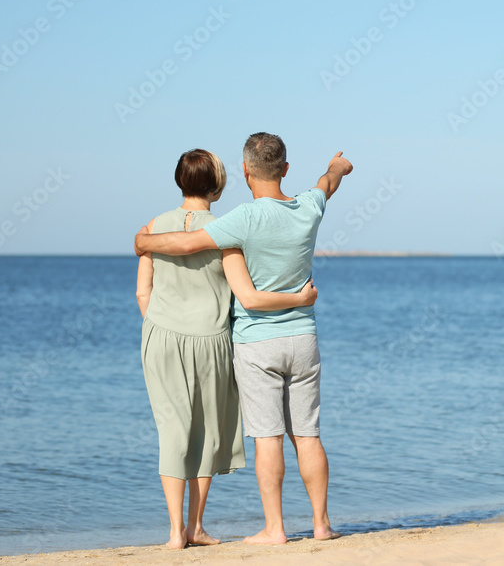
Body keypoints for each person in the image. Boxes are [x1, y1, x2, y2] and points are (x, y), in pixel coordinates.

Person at [135, 133, 352, 544]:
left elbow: (185, 242)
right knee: (307, 434)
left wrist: (143, 242)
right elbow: (327, 182)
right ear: (285, 169)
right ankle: (322, 525)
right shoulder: (309, 206)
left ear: (247, 170)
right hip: (303, 337)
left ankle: (275, 529)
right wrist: (338, 167)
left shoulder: (242, 219)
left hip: (256, 342)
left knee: (267, 438)